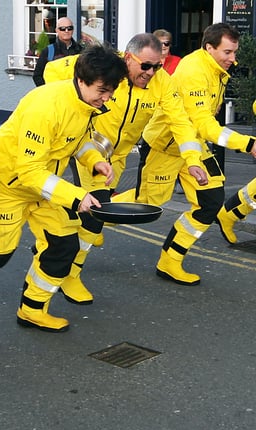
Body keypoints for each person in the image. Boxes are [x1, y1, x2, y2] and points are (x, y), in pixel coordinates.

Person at [0, 44, 127, 333]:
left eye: (111, 91)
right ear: (81, 80)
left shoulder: (87, 104)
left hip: (44, 188)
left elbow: (78, 141)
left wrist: (95, 160)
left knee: (64, 246)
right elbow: (29, 170)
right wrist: (77, 197)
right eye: (102, 90)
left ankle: (32, 310)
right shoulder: (45, 106)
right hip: (8, 187)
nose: (107, 97)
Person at [42, 34, 205, 305]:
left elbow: (181, 122)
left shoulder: (162, 83)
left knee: (91, 214)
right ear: (129, 58)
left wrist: (193, 159)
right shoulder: (106, 66)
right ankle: (70, 272)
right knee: (95, 213)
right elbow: (50, 71)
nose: (151, 73)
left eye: (158, 66)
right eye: (146, 66)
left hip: (116, 157)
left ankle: (64, 237)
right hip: (87, 148)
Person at [115, 23, 256, 285]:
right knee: (144, 203)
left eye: (234, 52)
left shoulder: (215, 68)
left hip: (193, 146)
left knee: (210, 201)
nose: (233, 59)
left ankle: (170, 261)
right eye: (227, 52)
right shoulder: (193, 71)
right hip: (165, 148)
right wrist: (247, 144)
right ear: (209, 47)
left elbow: (200, 126)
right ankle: (87, 217)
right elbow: (204, 122)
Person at [32, 17, 82, 87]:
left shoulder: (81, 51)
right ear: (56, 30)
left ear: (73, 30)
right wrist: (48, 91)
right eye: (62, 28)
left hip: (75, 95)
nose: (66, 31)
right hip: (54, 95)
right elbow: (37, 76)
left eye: (69, 28)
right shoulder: (48, 51)